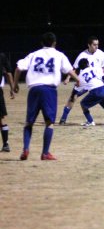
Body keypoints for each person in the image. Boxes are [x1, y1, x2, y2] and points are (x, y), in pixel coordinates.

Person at [13, 32, 80, 160]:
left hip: (34, 89)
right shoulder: (59, 55)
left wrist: (15, 85)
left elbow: (18, 68)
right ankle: (45, 153)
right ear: (54, 43)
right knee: (49, 123)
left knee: (29, 122)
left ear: (42, 43)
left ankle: (26, 149)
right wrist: (77, 79)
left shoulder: (34, 54)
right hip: (49, 90)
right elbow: (69, 70)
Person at [59, 35, 104, 125]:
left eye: (97, 44)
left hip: (98, 81)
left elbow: (103, 67)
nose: (96, 46)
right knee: (73, 97)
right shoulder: (82, 55)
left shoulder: (101, 54)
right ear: (89, 45)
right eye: (94, 45)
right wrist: (68, 78)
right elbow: (74, 68)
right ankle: (63, 119)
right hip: (85, 81)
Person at [0, 51, 15, 152]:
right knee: (1, 118)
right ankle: (5, 144)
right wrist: (12, 88)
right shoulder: (2, 56)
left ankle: (5, 144)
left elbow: (8, 73)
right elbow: (9, 73)